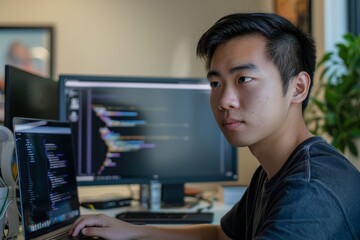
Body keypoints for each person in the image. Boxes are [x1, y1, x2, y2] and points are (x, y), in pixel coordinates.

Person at [70, 12, 360, 239]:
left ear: (298, 88)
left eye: (243, 79)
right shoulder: (275, 169)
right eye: (215, 83)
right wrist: (132, 231)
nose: (224, 100)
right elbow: (222, 235)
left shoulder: (310, 194)